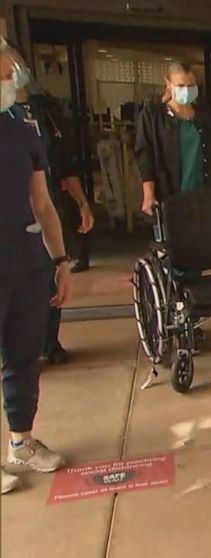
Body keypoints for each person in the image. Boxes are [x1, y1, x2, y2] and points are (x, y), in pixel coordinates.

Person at [1, 38, 73, 495]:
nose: (13, 78)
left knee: (25, 353)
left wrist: (61, 260)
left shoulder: (22, 126)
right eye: (6, 72)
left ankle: (21, 442)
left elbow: (42, 202)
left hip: (24, 257)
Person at [14, 82, 94, 364]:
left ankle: (49, 342)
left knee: (52, 278)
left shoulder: (42, 115)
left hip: (45, 208)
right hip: (12, 223)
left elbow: (63, 164)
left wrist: (82, 202)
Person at [135, 61, 211, 216]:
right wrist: (148, 195)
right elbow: (145, 156)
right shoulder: (153, 116)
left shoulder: (206, 116)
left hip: (207, 195)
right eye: (181, 85)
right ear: (169, 84)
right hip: (172, 197)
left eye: (191, 85)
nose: (186, 90)